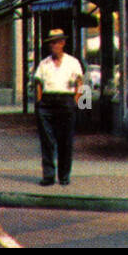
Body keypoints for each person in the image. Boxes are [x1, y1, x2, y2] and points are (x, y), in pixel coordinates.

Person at [32, 30, 85, 187]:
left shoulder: (73, 62)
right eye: (51, 42)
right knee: (47, 141)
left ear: (63, 43)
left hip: (66, 101)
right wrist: (39, 102)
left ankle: (63, 176)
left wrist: (77, 102)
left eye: (56, 42)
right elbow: (38, 84)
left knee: (65, 141)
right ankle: (48, 176)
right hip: (47, 103)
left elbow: (80, 83)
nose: (53, 45)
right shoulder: (44, 63)